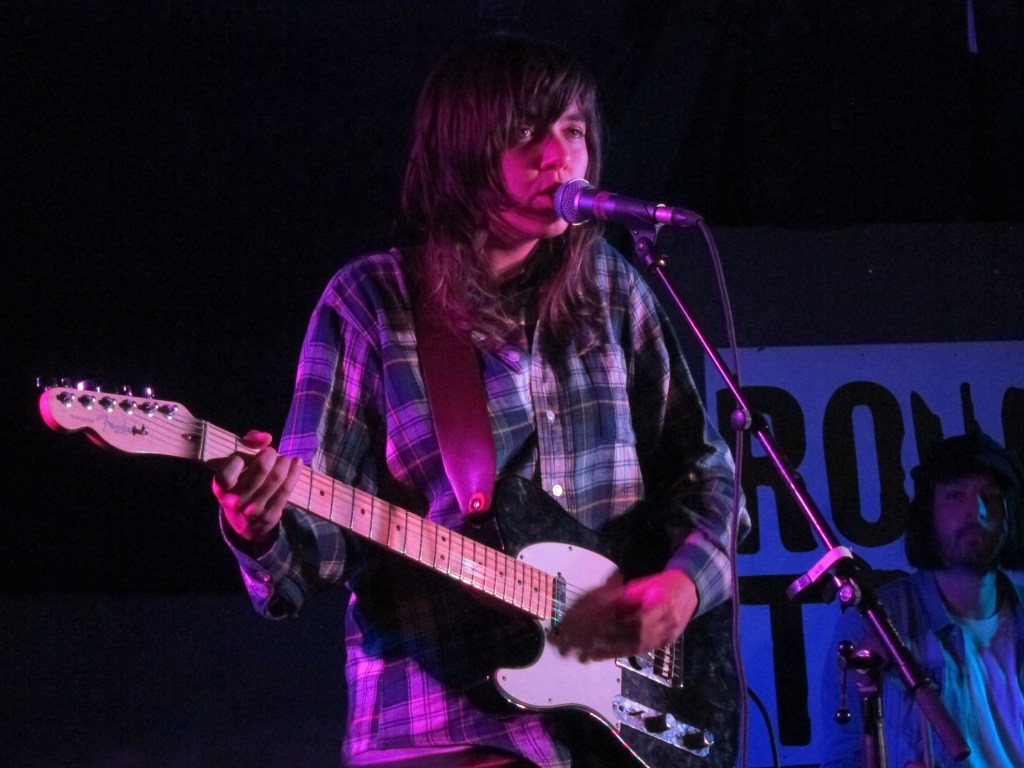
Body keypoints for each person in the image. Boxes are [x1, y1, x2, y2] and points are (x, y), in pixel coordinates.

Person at [211, 34, 748, 768]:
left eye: (574, 132)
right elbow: (308, 558)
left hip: (628, 731)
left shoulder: (616, 291)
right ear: (463, 151)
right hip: (446, 729)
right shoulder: (370, 305)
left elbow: (707, 473)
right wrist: (258, 524)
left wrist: (685, 586)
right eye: (528, 132)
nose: (558, 157)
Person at [820, 430, 1024, 768]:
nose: (978, 512)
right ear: (928, 511)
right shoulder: (876, 622)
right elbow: (843, 758)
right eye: (955, 496)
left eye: (991, 496)